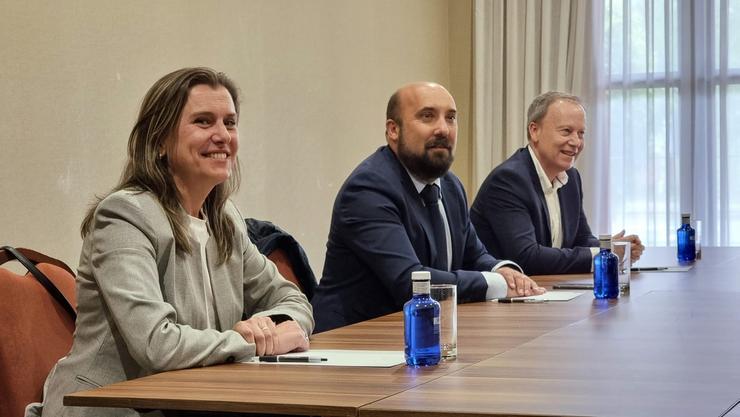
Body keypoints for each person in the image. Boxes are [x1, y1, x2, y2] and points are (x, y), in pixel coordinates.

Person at [29, 68, 314, 417]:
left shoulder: (225, 219)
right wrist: (249, 341)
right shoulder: (123, 216)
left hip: (193, 402)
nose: (223, 135)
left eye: (230, 122)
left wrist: (270, 327)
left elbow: (290, 299)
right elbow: (156, 344)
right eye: (204, 121)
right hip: (109, 406)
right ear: (160, 141)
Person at [311, 82, 545, 333]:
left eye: (451, 118)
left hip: (421, 334)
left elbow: (473, 255)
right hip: (355, 341)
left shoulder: (450, 185)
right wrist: (496, 284)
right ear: (393, 130)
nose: (443, 129)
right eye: (427, 116)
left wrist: (503, 271)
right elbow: (411, 281)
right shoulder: (369, 189)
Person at [470, 91, 644, 275]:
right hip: (501, 298)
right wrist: (601, 255)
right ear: (534, 131)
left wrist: (612, 248)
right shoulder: (508, 180)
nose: (576, 142)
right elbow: (526, 257)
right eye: (566, 131)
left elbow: (582, 238)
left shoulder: (571, 178)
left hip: (545, 290)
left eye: (581, 133)